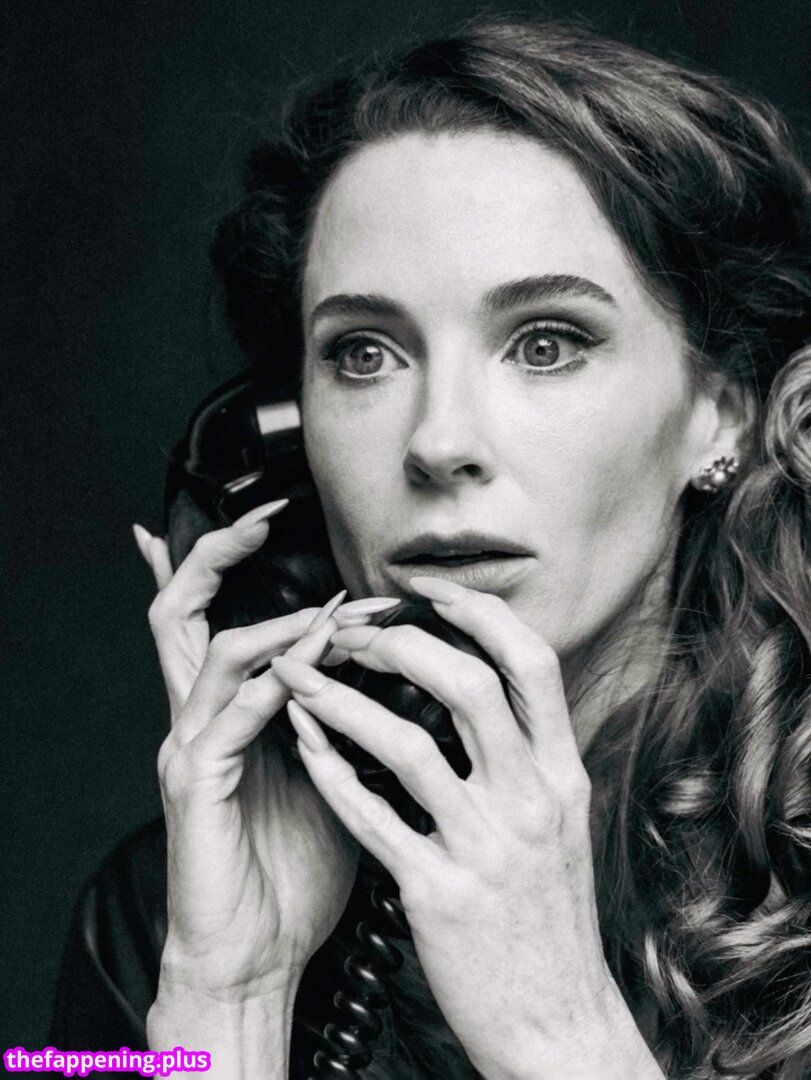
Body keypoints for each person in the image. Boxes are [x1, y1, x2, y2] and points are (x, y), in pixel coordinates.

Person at [52, 17, 811, 1079]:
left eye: (546, 343)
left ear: (719, 413)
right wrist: (234, 997)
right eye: (363, 354)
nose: (438, 442)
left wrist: (559, 1040)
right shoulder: (174, 909)